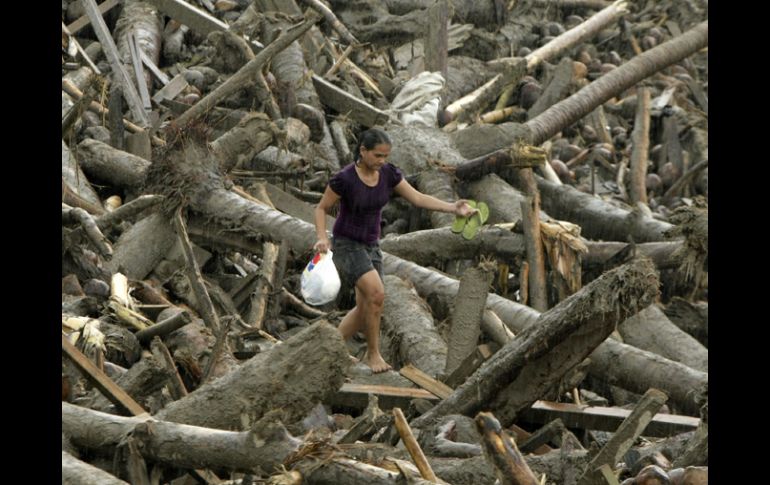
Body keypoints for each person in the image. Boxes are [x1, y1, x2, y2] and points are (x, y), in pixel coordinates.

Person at [313, 128, 476, 373]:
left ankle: (326, 350)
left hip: (371, 245)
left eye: (386, 156)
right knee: (377, 295)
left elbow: (418, 198)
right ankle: (373, 354)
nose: (382, 161)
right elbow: (321, 208)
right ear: (363, 151)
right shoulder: (345, 178)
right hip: (347, 244)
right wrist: (321, 238)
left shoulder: (388, 174)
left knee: (364, 307)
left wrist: (453, 207)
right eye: (377, 156)